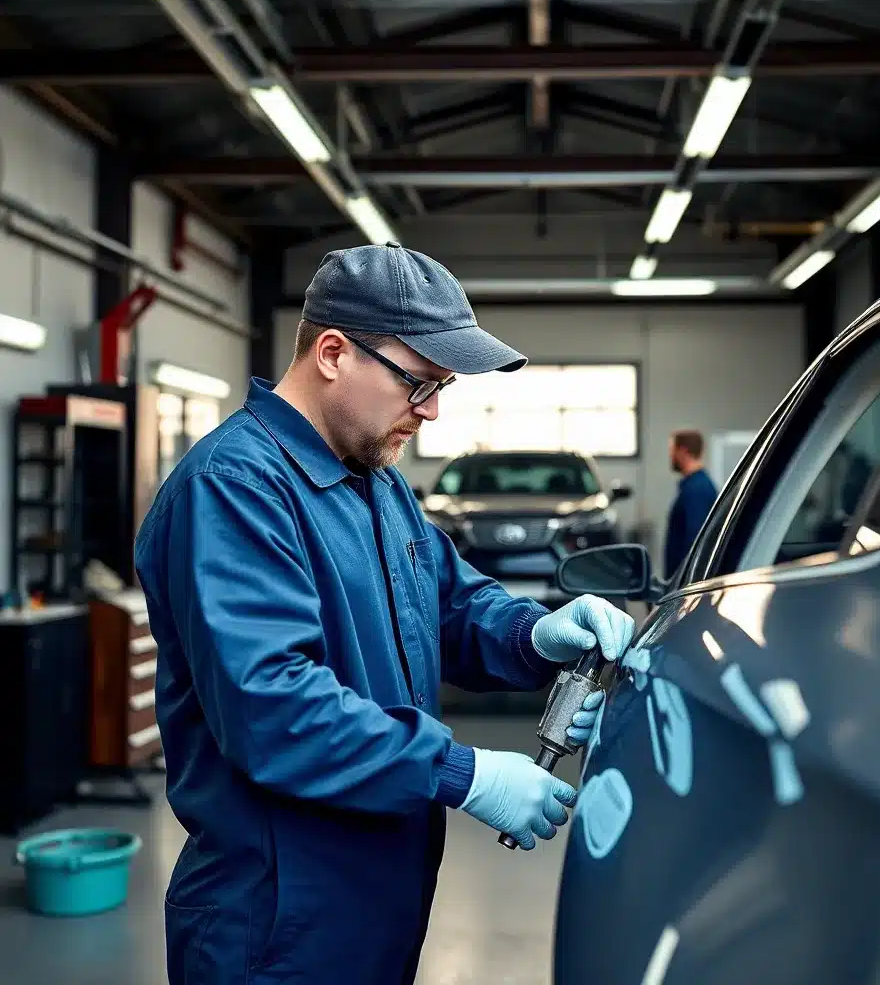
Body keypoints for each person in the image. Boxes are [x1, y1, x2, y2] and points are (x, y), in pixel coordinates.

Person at [134, 241, 634, 985]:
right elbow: (270, 703)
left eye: (443, 387)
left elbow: (452, 604)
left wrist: (536, 633)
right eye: (418, 382)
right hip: (279, 918)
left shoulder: (375, 480)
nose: (431, 411)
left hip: (377, 897)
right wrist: (462, 773)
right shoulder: (235, 489)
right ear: (333, 352)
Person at [664, 429, 718, 578]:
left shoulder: (697, 490)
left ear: (683, 451)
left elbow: (694, 542)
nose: (670, 455)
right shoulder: (694, 486)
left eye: (672, 449)